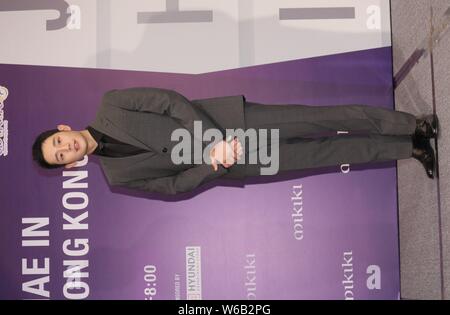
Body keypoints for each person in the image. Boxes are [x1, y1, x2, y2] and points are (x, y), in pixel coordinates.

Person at [32, 87, 438, 195]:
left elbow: (168, 101)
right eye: (60, 156)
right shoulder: (116, 177)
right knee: (325, 151)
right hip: (235, 163)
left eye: (58, 142)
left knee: (326, 119)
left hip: (233, 123)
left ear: (63, 128)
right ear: (69, 166)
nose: (65, 148)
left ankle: (413, 123)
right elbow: (173, 185)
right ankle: (410, 148)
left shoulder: (111, 105)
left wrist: (211, 141)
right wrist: (214, 164)